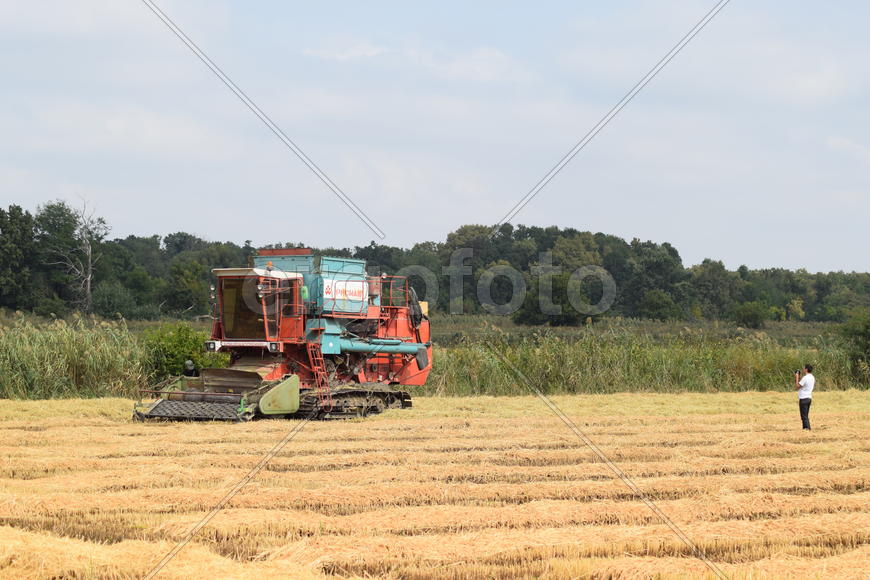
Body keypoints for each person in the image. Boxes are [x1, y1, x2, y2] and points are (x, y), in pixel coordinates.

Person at [794, 364, 815, 430]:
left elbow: (797, 387)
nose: (803, 369)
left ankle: (807, 428)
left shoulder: (805, 378)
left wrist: (797, 377)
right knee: (805, 415)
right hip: (809, 398)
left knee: (804, 416)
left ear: (806, 369)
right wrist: (799, 377)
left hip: (803, 398)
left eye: (804, 368)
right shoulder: (812, 377)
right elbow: (803, 384)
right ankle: (805, 428)